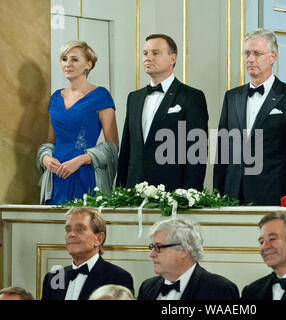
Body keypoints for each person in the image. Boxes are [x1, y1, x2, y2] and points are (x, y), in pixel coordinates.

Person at [213, 28, 286, 205]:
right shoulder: (231, 96)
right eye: (247, 53)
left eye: (257, 53)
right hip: (232, 194)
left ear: (273, 57)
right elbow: (222, 149)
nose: (250, 59)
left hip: (273, 194)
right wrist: (218, 193)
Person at [116, 34, 208, 191]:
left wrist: (190, 193)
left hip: (173, 190)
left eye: (155, 53)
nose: (148, 58)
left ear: (173, 59)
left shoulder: (191, 97)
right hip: (133, 191)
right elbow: (127, 148)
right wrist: (120, 189)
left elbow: (197, 152)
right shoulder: (134, 98)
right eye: (145, 53)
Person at [37, 40, 119, 205]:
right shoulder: (55, 98)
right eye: (64, 59)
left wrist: (80, 160)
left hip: (85, 173)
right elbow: (51, 142)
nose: (68, 64)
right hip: (57, 176)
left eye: (74, 59)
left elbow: (113, 146)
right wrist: (45, 158)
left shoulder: (100, 95)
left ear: (88, 64)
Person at [41, 207, 134, 300]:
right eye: (68, 230)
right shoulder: (55, 277)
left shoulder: (118, 277)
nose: (71, 235)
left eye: (80, 229)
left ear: (99, 239)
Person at [137, 218, 239, 300]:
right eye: (152, 247)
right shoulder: (147, 286)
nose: (152, 254)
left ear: (183, 251)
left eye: (158, 247)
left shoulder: (220, 290)